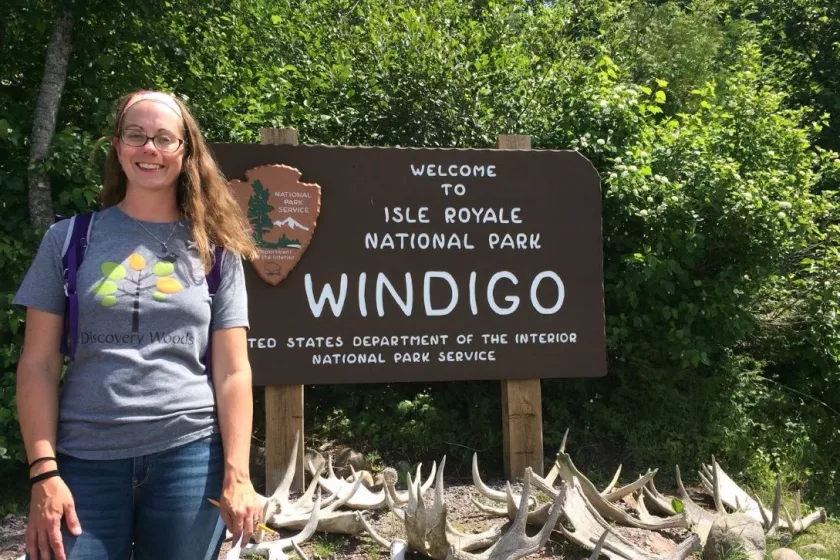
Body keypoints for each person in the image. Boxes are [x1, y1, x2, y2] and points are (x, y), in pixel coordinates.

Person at [13, 90, 263, 560]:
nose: (150, 148)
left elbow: (233, 372)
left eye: (164, 139)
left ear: (184, 154)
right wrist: (44, 474)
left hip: (189, 459)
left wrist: (239, 474)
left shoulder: (216, 251)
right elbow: (39, 365)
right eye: (136, 135)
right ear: (117, 146)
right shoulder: (68, 240)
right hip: (82, 461)